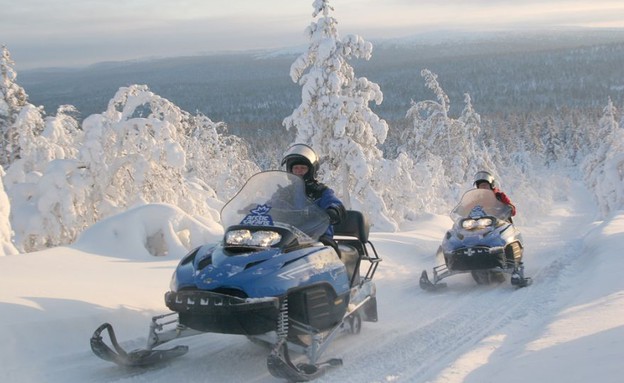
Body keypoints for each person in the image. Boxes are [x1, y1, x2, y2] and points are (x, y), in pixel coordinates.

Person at [281, 143, 346, 250]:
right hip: (287, 239)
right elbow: (270, 204)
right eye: (296, 168)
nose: (299, 171)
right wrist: (254, 209)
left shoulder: (321, 192)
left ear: (311, 170)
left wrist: (334, 210)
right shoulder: (284, 193)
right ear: (290, 170)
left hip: (318, 239)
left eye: (303, 168)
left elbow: (335, 204)